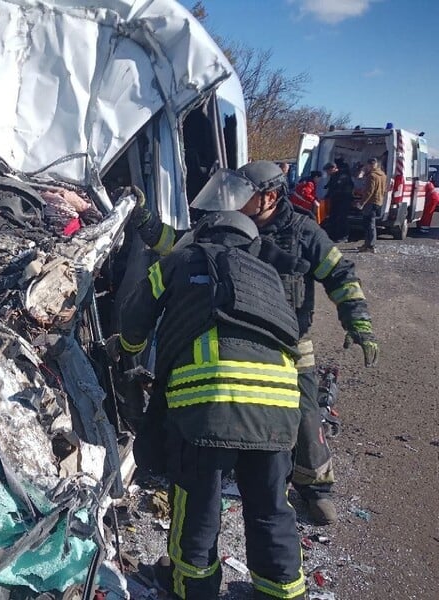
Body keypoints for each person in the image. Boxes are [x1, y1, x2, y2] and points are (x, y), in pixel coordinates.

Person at [130, 161, 379, 526]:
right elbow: (175, 243)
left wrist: (358, 321)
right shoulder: (220, 229)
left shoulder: (303, 233)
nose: (231, 201)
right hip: (237, 337)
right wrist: (143, 218)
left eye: (241, 194)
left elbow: (340, 274)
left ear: (270, 197)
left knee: (306, 417)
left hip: (290, 343)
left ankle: (315, 488)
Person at [117, 194, 307, 599]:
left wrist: (129, 357)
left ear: (204, 233)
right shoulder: (270, 276)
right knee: (272, 510)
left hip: (208, 409)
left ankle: (192, 590)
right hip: (278, 410)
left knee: (198, 512)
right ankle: (282, 594)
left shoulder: (183, 260)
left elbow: (135, 316)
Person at [356, 157, 387, 252]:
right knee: (372, 224)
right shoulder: (383, 175)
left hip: (370, 202)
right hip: (378, 201)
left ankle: (369, 245)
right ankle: (369, 245)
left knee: (368, 224)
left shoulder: (372, 176)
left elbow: (369, 192)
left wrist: (361, 203)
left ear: (369, 165)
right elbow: (384, 189)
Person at [324, 158, 355, 243]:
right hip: (336, 200)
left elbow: (339, 189)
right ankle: (334, 235)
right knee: (333, 218)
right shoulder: (334, 176)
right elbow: (331, 188)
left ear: (333, 168)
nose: (327, 173)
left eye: (328, 171)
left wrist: (331, 195)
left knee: (342, 218)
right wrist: (326, 197)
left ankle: (344, 236)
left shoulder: (342, 176)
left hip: (344, 200)